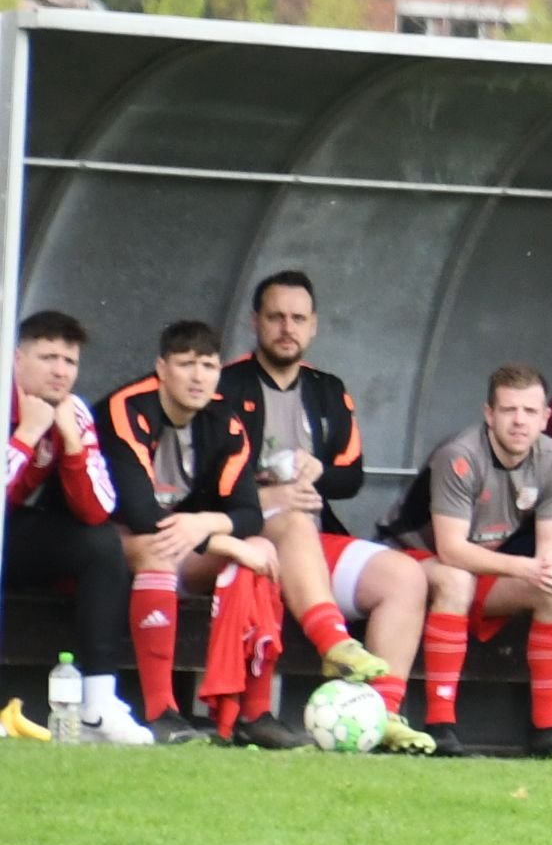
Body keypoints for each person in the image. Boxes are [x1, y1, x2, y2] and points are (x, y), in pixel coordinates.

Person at [215, 270, 414, 694]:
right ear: (255, 322)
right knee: (292, 521)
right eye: (276, 317)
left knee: (405, 576)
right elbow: (202, 482)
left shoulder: (328, 389)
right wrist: (269, 493)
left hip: (310, 540)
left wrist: (319, 471)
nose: (288, 329)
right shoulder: (224, 387)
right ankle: (334, 644)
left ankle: (382, 715)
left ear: (314, 325)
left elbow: (351, 477)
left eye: (298, 319)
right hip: (244, 536)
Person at [99, 320, 283, 746]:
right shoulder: (126, 408)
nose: (199, 377)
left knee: (260, 549)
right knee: (164, 547)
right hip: (105, 543)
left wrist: (205, 525)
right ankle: (162, 710)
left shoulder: (224, 418)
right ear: (161, 368)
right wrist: (221, 540)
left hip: (184, 542)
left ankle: (253, 711)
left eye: (209, 365)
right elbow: (142, 513)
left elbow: (249, 512)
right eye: (186, 364)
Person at [397, 366, 552, 754]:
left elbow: (551, 546)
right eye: (509, 410)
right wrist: (525, 567)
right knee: (456, 578)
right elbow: (452, 550)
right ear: (488, 413)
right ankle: (440, 723)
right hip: (411, 557)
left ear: (546, 417)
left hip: (487, 563)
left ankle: (549, 730)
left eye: (530, 412)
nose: (519, 421)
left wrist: (548, 567)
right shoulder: (459, 455)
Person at [3, 309, 135, 738]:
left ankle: (98, 704)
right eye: (48, 358)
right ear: (17, 358)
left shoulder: (72, 411)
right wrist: (26, 435)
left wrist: (73, 442)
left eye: (70, 361)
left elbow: (99, 508)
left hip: (14, 529)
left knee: (101, 544)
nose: (60, 371)